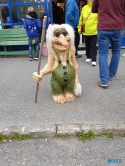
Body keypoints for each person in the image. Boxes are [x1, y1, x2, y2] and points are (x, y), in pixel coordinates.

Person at [92, 0, 125, 87]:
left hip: (104, 26)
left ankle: (104, 80)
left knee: (103, 54)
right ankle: (111, 75)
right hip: (118, 26)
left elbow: (93, 9)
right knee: (116, 52)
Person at [78, 0, 98, 66]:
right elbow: (81, 19)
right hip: (86, 30)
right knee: (87, 44)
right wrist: (79, 28)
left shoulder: (97, 7)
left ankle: (94, 59)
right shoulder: (84, 8)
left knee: (93, 45)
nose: (90, 0)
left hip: (94, 30)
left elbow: (100, 19)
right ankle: (88, 56)